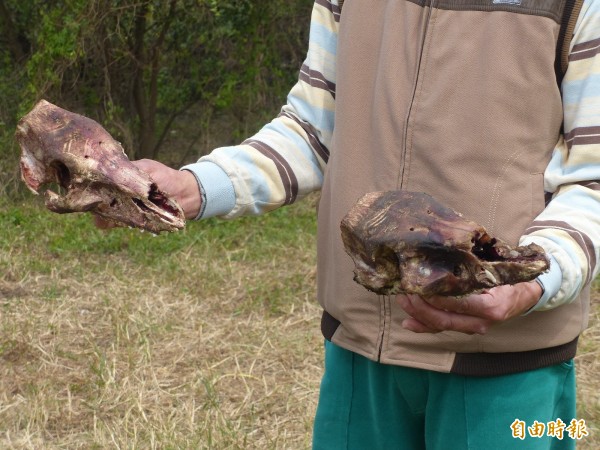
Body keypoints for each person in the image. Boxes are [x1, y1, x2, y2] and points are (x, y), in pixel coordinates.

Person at [124, 1, 600, 448]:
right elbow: (312, 128)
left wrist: (532, 282)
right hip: (358, 354)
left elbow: (593, 177)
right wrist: (192, 187)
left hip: (510, 370)